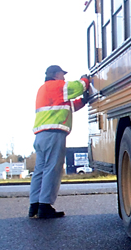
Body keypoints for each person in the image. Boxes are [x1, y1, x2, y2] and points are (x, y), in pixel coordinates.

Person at [28, 65, 91, 219]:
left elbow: (66, 106)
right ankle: (45, 206)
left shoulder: (43, 89)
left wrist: (82, 102)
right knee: (53, 169)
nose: (64, 77)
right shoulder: (59, 86)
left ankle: (34, 205)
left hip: (40, 135)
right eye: (62, 74)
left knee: (40, 171)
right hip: (54, 133)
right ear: (56, 74)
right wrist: (86, 78)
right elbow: (80, 86)